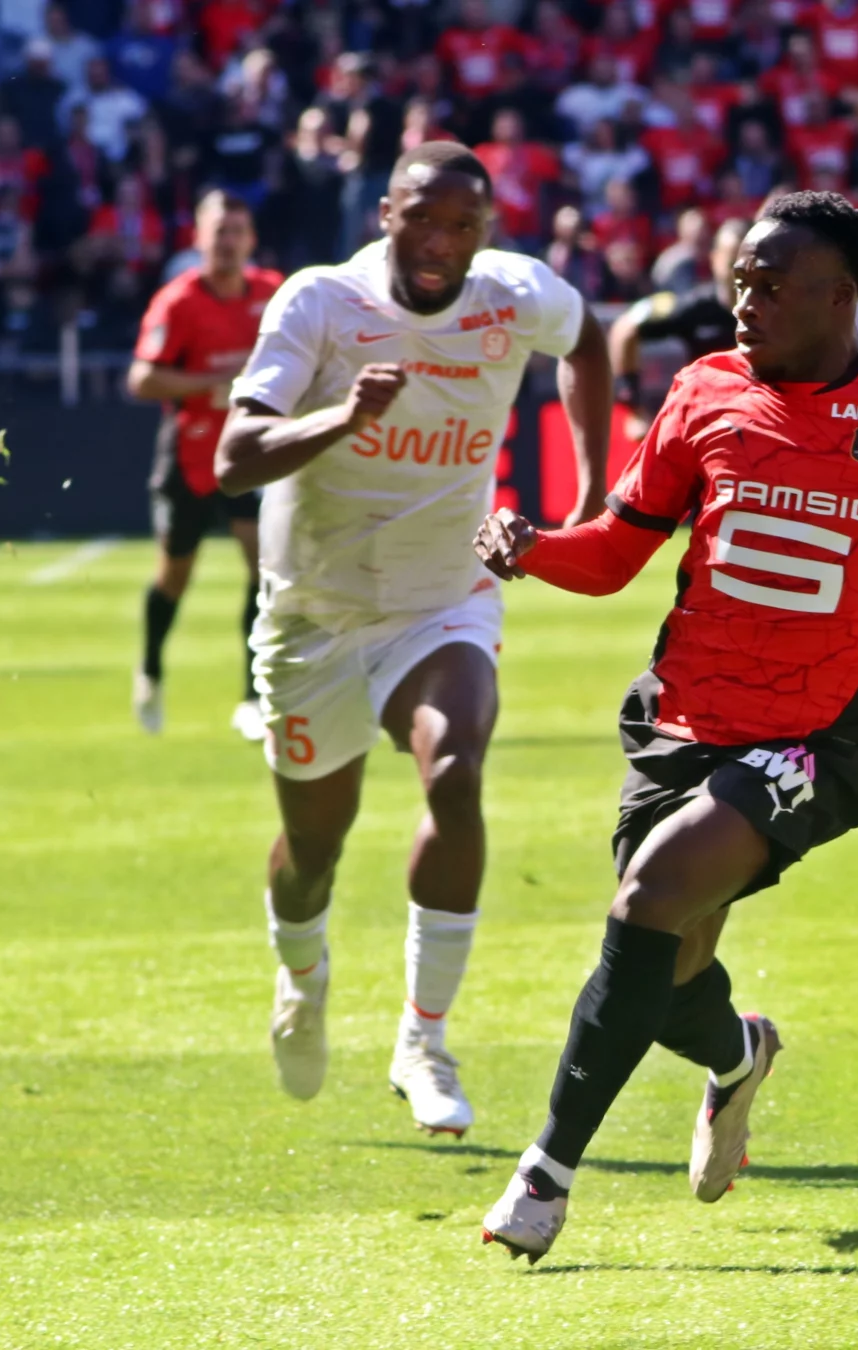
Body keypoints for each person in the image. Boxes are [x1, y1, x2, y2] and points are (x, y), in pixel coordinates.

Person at [470, 190, 858, 1262]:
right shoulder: (703, 392)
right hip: (682, 723)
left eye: (769, 282)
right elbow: (618, 554)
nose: (743, 300)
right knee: (660, 975)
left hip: (817, 739)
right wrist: (532, 547)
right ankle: (738, 1055)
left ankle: (546, 1173)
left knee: (649, 893)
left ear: (842, 296)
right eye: (739, 278)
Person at [214, 142, 612, 1137]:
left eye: (462, 227)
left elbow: (590, 341)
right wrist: (345, 414)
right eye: (421, 220)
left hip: (444, 601)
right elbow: (233, 458)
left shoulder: (513, 295)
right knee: (315, 845)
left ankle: (423, 1040)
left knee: (457, 773)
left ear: (487, 231)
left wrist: (593, 491)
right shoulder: (319, 304)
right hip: (313, 613)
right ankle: (302, 975)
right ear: (384, 210)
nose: (439, 245)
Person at [127, 190, 282, 739]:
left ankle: (252, 696)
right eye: (219, 231)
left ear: (251, 240)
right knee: (175, 576)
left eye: (237, 231)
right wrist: (213, 385)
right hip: (190, 454)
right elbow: (142, 378)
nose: (228, 242)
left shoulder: (273, 293)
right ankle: (149, 669)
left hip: (249, 453)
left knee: (265, 570)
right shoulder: (179, 300)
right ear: (198, 238)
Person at [607, 217, 745, 439]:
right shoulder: (694, 305)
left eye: (746, 261)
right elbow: (625, 327)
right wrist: (633, 405)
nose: (737, 271)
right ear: (714, 259)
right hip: (708, 422)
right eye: (731, 261)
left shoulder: (775, 308)